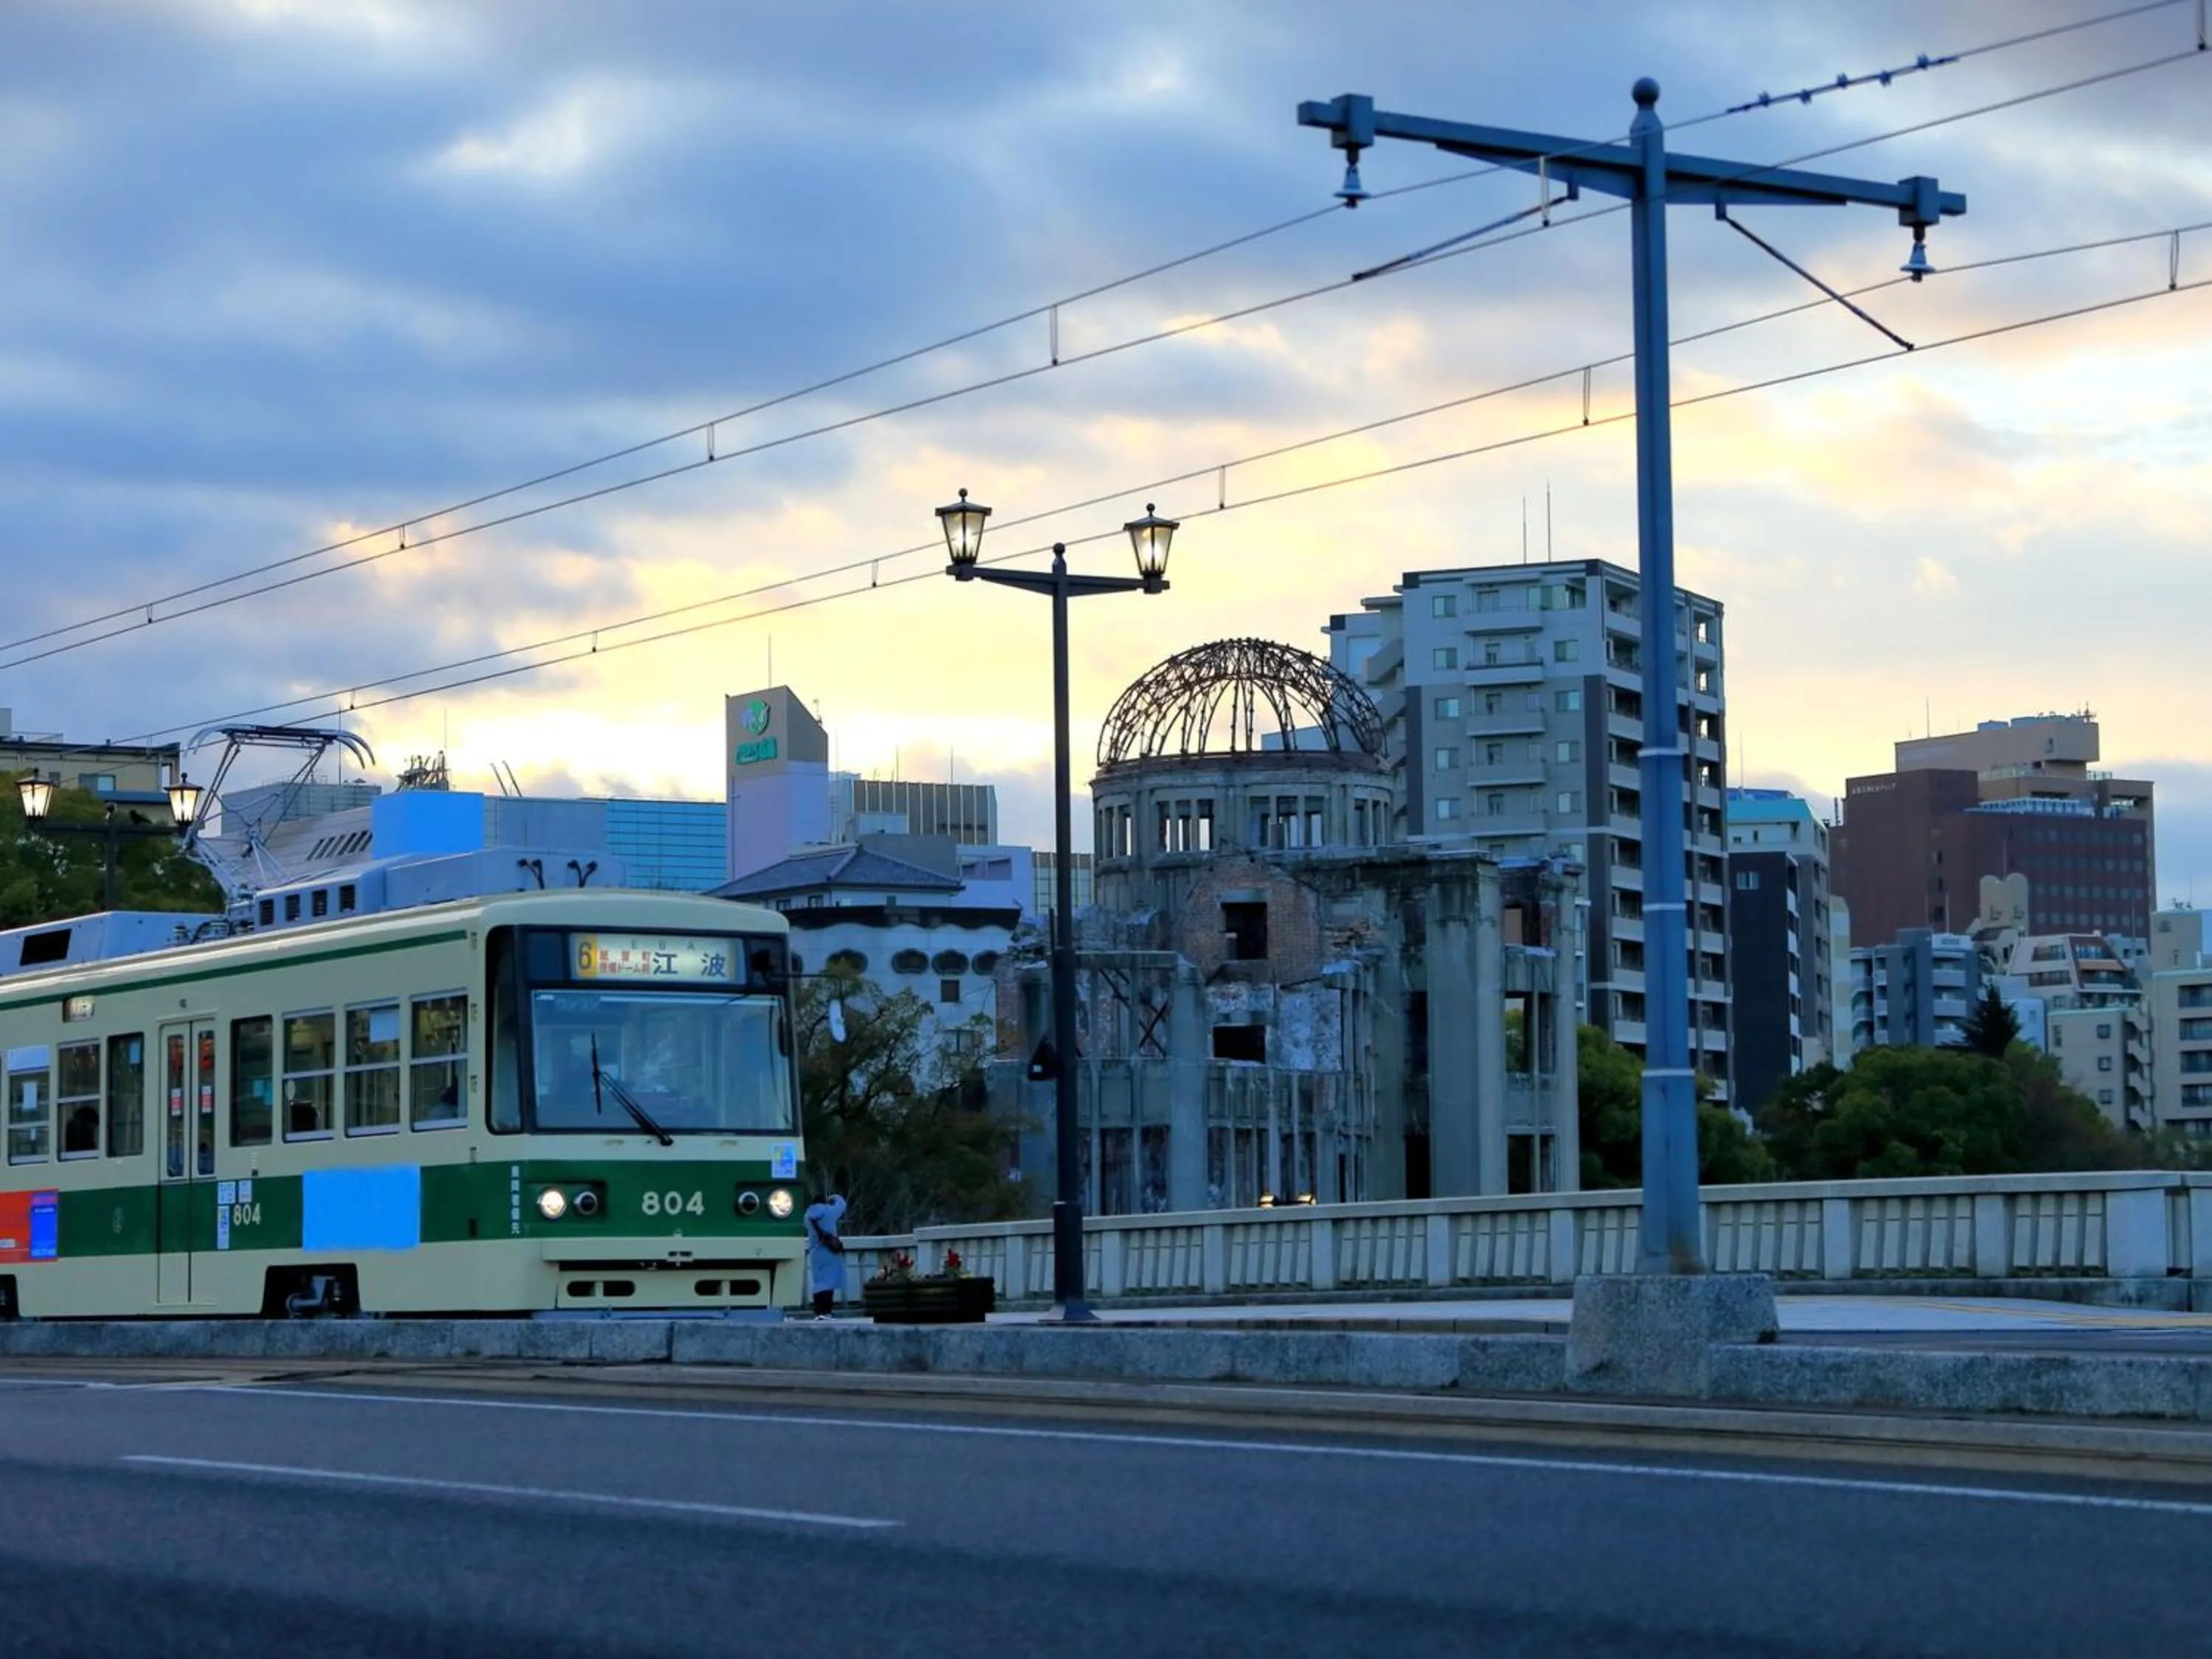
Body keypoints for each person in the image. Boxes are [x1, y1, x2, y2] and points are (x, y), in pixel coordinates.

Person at [803, 1192, 847, 1320]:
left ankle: (818, 1311)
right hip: (829, 1252)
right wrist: (834, 1197)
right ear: (824, 1202)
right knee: (829, 1281)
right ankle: (827, 1311)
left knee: (819, 1282)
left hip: (816, 1252)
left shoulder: (807, 1216)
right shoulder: (829, 1212)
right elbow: (842, 1204)